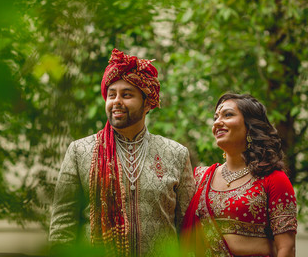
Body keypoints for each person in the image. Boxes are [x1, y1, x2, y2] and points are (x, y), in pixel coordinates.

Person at [49, 48, 195, 256]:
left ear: (147, 103)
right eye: (111, 95)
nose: (116, 101)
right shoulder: (80, 151)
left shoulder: (175, 153)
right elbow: (62, 226)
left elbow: (188, 230)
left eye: (126, 95)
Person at [182, 93, 297, 257]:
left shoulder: (273, 178)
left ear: (250, 126)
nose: (217, 122)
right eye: (216, 117)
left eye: (228, 115)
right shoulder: (200, 177)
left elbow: (286, 248)